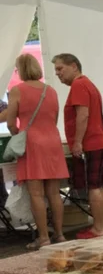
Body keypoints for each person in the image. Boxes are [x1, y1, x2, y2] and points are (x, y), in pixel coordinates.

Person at [6, 53, 68, 249]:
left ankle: (43, 237)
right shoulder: (51, 91)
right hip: (53, 141)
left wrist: (17, 135)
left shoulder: (17, 90)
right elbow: (54, 118)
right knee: (54, 193)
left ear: (21, 70)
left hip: (32, 143)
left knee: (36, 194)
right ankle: (59, 234)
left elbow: (10, 122)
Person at [54, 53, 103, 238]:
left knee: (94, 186)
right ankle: (100, 226)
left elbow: (83, 115)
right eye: (56, 70)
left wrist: (77, 141)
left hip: (90, 143)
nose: (57, 73)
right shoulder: (87, 84)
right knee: (97, 186)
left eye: (60, 68)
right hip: (98, 141)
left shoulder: (78, 85)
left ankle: (98, 227)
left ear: (74, 66)